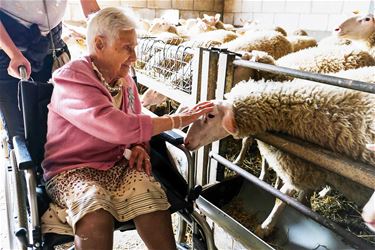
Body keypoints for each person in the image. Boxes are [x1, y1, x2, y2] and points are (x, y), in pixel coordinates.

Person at [40, 7, 214, 250]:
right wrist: (177, 119)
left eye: (134, 47)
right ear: (99, 44)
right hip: (72, 170)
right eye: (127, 48)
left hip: (116, 164)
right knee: (95, 208)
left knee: (150, 194)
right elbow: (116, 126)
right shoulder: (73, 78)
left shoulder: (124, 80)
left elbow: (135, 118)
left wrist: (139, 146)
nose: (134, 56)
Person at [0, 0, 100, 149]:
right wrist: (13, 54)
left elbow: (91, 10)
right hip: (9, 55)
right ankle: (24, 166)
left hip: (51, 49)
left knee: (58, 125)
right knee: (21, 132)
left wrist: (108, 35)